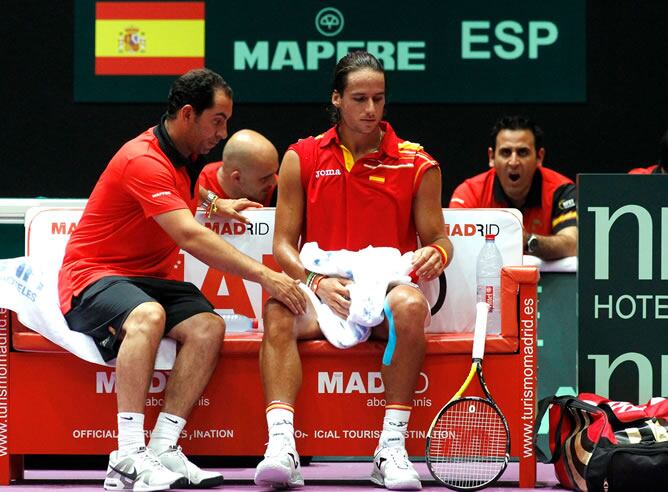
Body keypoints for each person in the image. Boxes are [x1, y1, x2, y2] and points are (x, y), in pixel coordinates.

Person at [58, 68, 306, 491]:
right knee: (149, 315)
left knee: (208, 327)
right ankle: (127, 456)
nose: (223, 133)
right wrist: (268, 276)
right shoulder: (143, 159)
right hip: (92, 277)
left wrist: (214, 201)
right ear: (189, 114)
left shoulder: (183, 158)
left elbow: (186, 195)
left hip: (141, 279)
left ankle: (163, 447)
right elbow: (190, 236)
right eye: (218, 120)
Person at [254, 51, 453, 491]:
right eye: (359, 99)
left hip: (382, 295)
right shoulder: (301, 157)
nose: (371, 110)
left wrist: (439, 253)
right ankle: (282, 446)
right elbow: (284, 246)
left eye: (379, 99)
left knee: (408, 305)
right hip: (321, 290)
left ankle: (391, 448)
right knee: (278, 307)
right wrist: (317, 283)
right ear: (337, 100)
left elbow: (438, 238)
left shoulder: (417, 164)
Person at [449, 115, 577, 260]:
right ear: (491, 157)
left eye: (523, 152)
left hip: (547, 281)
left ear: (539, 157)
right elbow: (456, 247)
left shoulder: (561, 190)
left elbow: (573, 244)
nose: (514, 162)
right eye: (506, 152)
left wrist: (528, 241)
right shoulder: (469, 193)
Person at [197, 129, 278, 207]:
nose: (274, 182)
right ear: (237, 178)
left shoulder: (279, 188)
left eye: (275, 172)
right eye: (265, 179)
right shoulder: (195, 186)